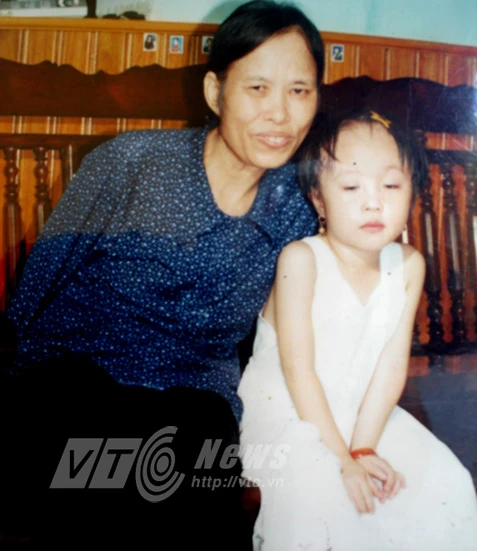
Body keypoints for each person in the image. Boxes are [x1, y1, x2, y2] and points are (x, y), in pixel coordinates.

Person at [0, 1, 324, 549]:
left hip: (194, 399)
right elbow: (38, 289)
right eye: (257, 88)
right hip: (81, 380)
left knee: (195, 467)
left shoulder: (299, 204)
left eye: (299, 90)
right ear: (215, 92)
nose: (280, 114)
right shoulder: (131, 163)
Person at [238, 108, 477, 550]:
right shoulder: (301, 260)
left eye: (391, 185)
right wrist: (342, 459)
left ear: (412, 191)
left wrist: (363, 449)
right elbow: (298, 374)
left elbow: (389, 368)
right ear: (319, 199)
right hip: (292, 419)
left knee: (447, 483)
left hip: (365, 417)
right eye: (351, 187)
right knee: (328, 499)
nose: (373, 202)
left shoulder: (408, 264)